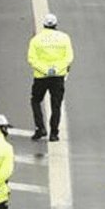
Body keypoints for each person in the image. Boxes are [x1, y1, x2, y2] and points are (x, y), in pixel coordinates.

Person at [27, 13, 73, 141]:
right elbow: (68, 58)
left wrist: (45, 70)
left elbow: (31, 59)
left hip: (41, 77)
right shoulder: (64, 38)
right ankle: (54, 133)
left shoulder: (36, 39)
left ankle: (40, 128)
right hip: (58, 77)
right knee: (56, 105)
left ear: (44, 25)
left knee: (35, 101)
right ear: (56, 24)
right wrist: (56, 70)